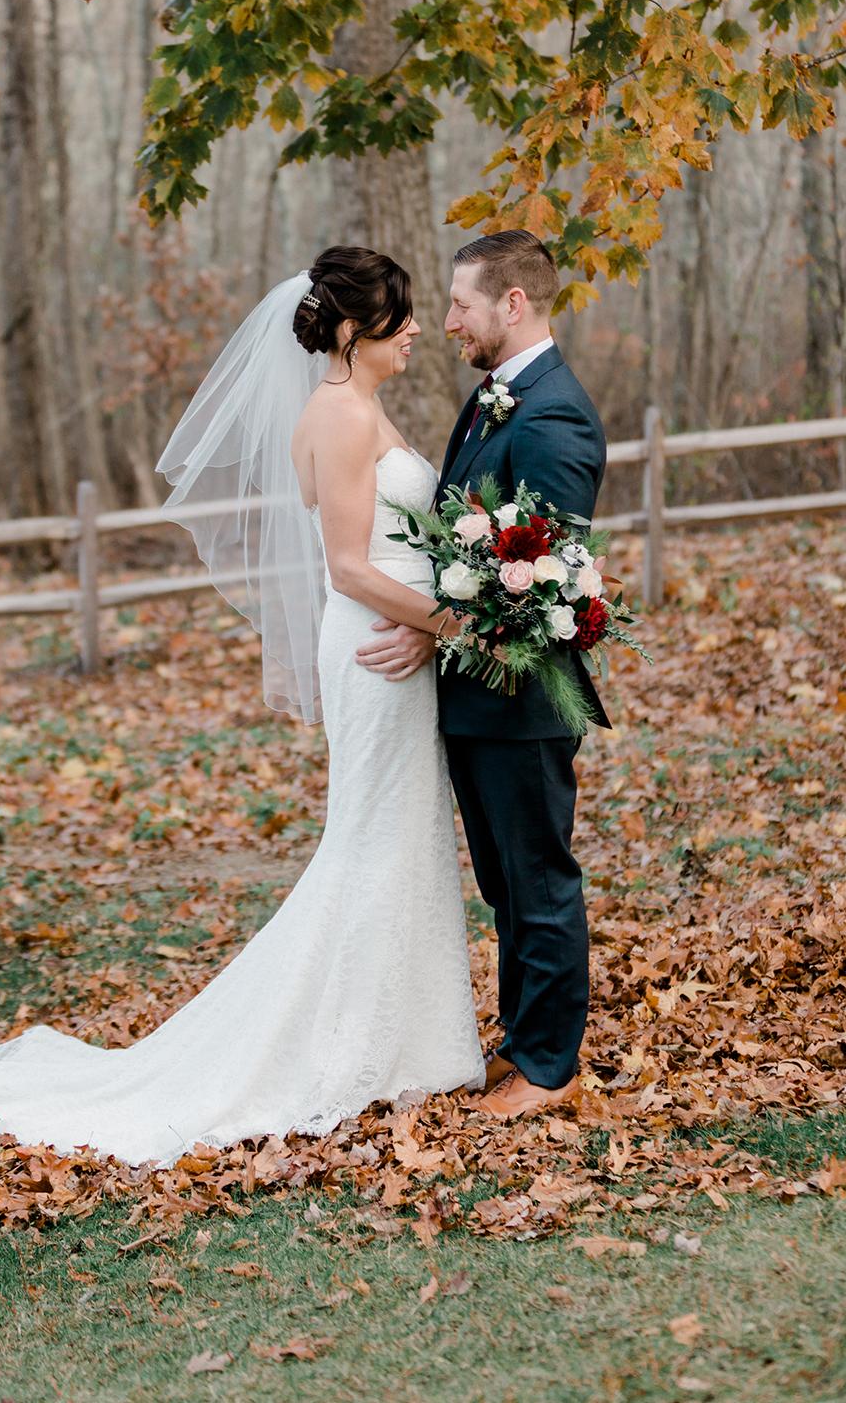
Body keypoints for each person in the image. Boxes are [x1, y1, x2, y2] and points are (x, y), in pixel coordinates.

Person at [0, 247, 486, 1168]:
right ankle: (349, 1047)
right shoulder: (340, 416)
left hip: (391, 640)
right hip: (377, 650)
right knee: (372, 839)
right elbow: (348, 566)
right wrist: (458, 622)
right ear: (353, 330)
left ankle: (407, 1041)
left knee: (399, 835)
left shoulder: (357, 406)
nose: (420, 327)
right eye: (402, 313)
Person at [356, 230, 609, 1122]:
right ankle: (522, 1039)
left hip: (524, 696)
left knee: (537, 879)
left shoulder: (553, 415)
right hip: (478, 694)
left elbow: (547, 569)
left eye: (462, 302)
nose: (448, 318)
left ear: (512, 304)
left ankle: (550, 1068)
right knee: (505, 885)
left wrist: (436, 633)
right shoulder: (494, 400)